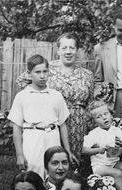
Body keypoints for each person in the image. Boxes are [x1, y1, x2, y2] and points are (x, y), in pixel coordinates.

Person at [17, 33, 94, 161]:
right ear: (58, 50)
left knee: (72, 159)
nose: (68, 52)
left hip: (77, 123)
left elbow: (90, 102)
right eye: (64, 48)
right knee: (49, 157)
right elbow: (21, 81)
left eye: (72, 48)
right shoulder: (47, 68)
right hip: (51, 120)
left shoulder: (87, 75)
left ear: (77, 50)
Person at [8, 54, 73, 179]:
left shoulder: (56, 95)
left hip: (52, 136)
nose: (42, 76)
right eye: (37, 72)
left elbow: (63, 125)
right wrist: (19, 154)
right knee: (33, 171)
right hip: (32, 137)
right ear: (29, 73)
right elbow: (16, 127)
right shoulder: (22, 96)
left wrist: (67, 150)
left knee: (54, 170)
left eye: (45, 71)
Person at [82, 100, 122, 190]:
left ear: (111, 114)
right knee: (118, 173)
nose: (104, 118)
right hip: (100, 167)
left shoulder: (116, 130)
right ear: (94, 121)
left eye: (106, 114)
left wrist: (120, 151)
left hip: (113, 161)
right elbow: (84, 150)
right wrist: (97, 150)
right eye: (99, 117)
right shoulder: (94, 134)